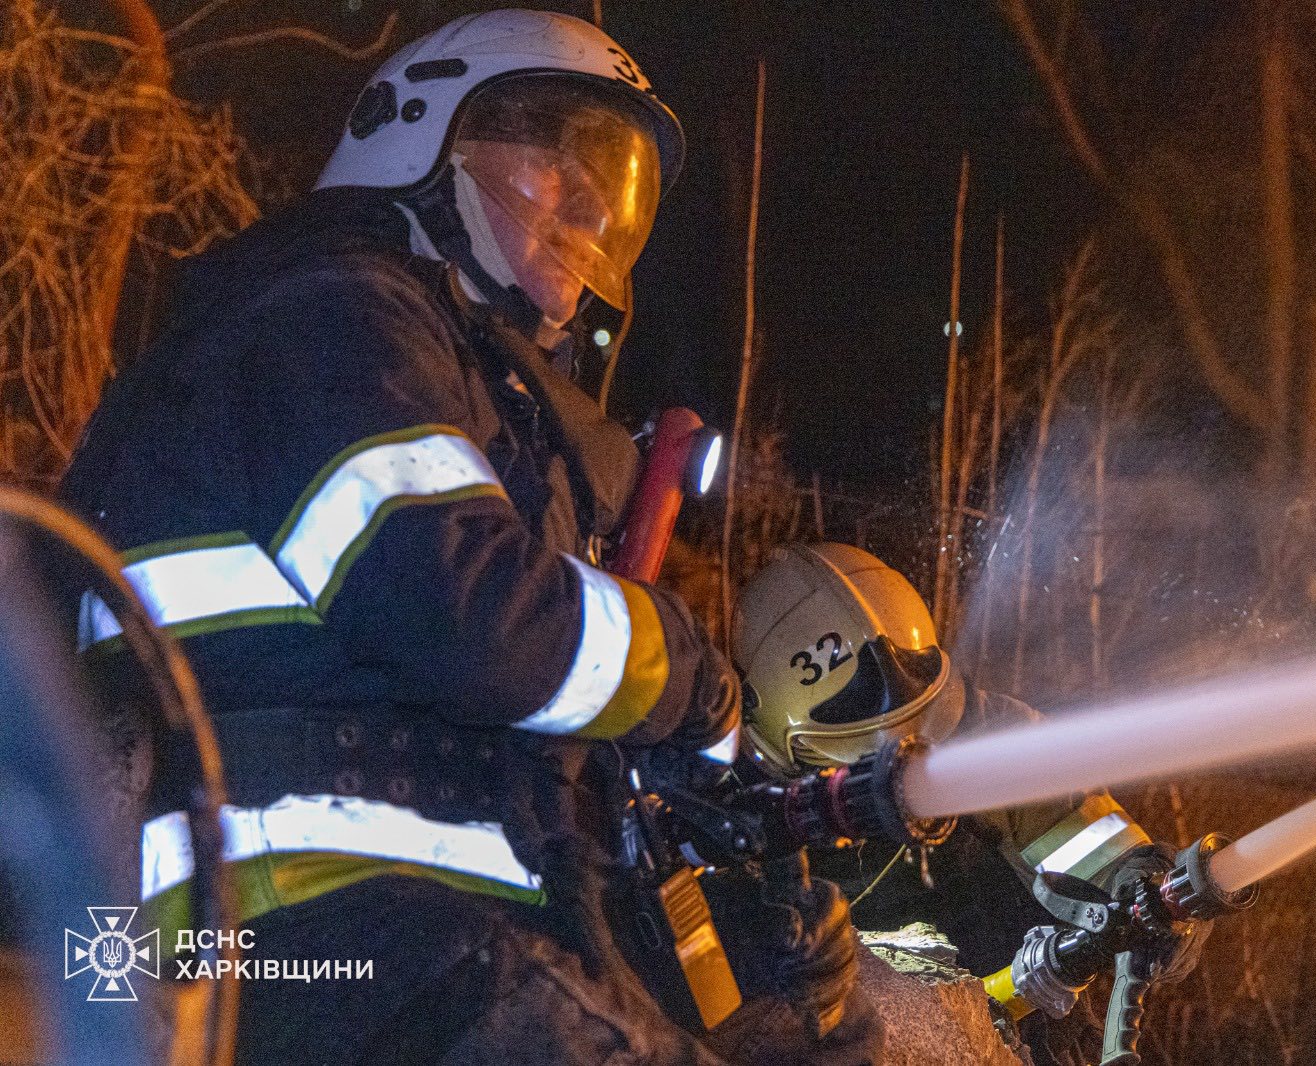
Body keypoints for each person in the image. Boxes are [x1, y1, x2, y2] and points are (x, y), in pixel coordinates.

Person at [59, 13, 871, 1065]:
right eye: (553, 154)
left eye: (610, 184)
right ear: (417, 136)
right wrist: (686, 675)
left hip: (419, 934)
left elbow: (532, 784)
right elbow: (464, 612)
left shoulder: (494, 412)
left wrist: (749, 979)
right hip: (265, 933)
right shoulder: (332, 316)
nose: (588, 207)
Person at [732, 543, 1209, 1026]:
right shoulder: (716, 823)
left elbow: (1089, 840)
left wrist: (1145, 884)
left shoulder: (995, 739)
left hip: (1011, 1034)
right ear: (775, 736)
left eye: (923, 732)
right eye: (868, 765)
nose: (909, 768)